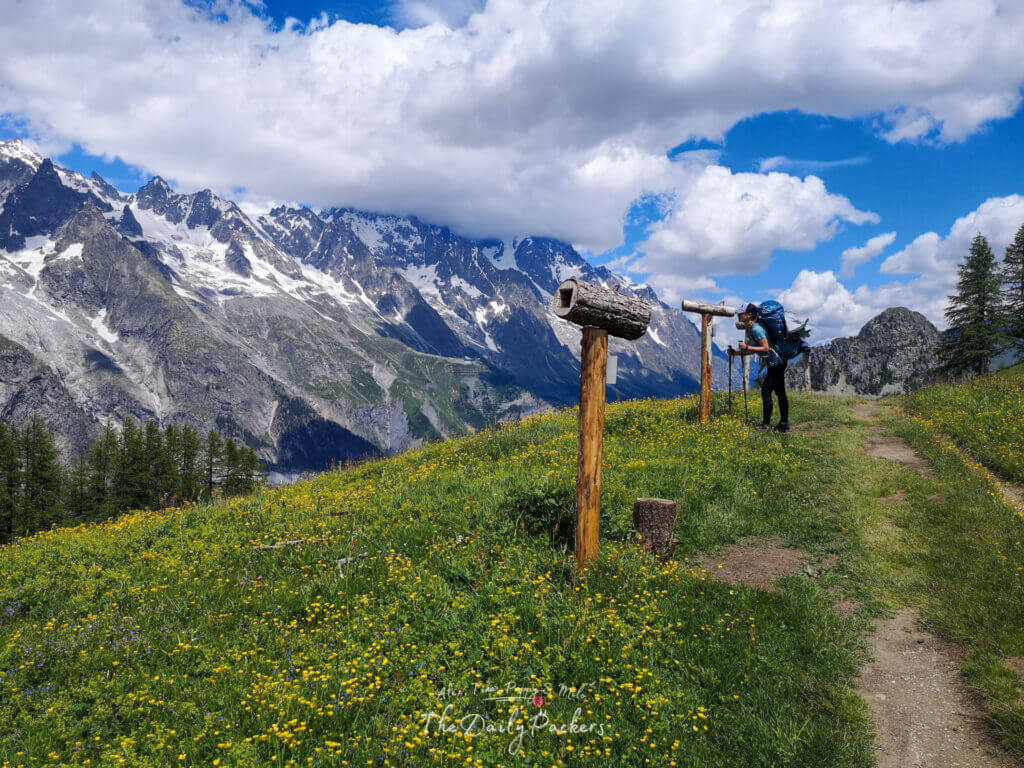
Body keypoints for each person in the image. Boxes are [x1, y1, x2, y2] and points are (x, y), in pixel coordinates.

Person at [728, 303, 789, 432]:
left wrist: (747, 347)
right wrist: (735, 353)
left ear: (749, 315)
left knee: (766, 390)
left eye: (741, 313)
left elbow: (765, 348)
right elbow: (755, 350)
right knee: (779, 392)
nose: (738, 315)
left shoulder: (756, 329)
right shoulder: (751, 329)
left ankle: (766, 425)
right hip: (777, 361)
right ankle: (784, 424)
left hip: (776, 362)